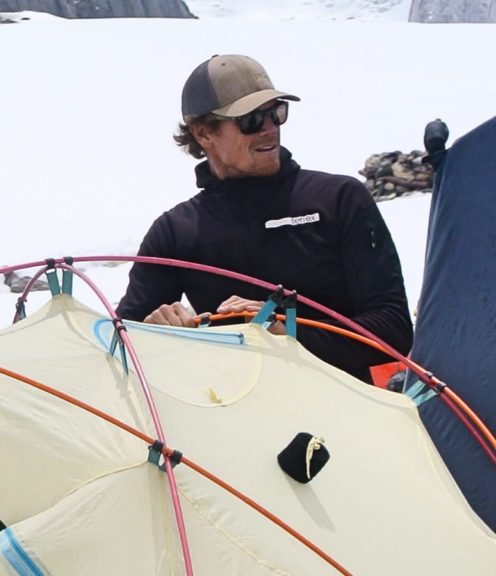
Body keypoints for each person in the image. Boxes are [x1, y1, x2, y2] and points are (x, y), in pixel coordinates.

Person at [116, 54, 413, 383]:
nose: (270, 129)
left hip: (343, 403)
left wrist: (287, 332)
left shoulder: (339, 199)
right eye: (251, 120)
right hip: (234, 408)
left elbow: (394, 329)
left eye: (276, 112)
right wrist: (154, 333)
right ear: (203, 134)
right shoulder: (174, 232)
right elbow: (118, 348)